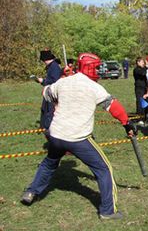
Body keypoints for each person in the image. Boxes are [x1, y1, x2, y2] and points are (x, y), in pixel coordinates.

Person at [21, 52, 136, 220]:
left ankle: (31, 192)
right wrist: (127, 124)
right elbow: (114, 107)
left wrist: (63, 78)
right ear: (90, 68)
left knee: (49, 163)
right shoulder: (94, 87)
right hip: (78, 138)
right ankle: (107, 211)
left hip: (56, 135)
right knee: (104, 169)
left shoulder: (63, 82)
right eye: (96, 67)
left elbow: (46, 92)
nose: (98, 70)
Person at [35, 49, 62, 129]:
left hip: (52, 93)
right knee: (44, 109)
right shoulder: (51, 66)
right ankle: (44, 127)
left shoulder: (54, 66)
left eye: (44, 60)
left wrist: (43, 80)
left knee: (50, 111)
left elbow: (56, 81)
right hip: (48, 92)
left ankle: (49, 128)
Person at [133, 57, 147, 123]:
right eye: (142, 62)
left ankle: (144, 117)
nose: (143, 63)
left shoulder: (143, 69)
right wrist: (146, 66)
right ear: (138, 62)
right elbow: (142, 73)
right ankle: (139, 119)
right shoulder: (136, 69)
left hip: (145, 88)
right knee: (140, 103)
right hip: (139, 88)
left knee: (144, 103)